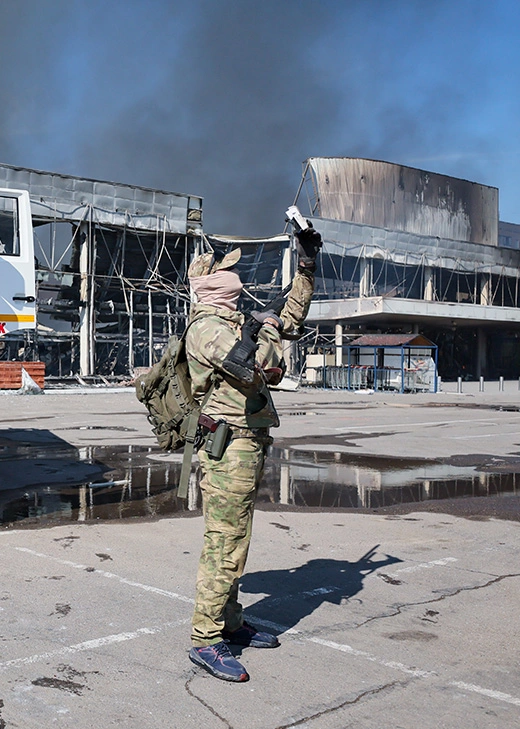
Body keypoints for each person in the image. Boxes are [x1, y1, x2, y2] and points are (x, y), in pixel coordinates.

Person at [183, 225, 321, 682]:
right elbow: (257, 366)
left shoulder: (234, 322)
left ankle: (231, 622)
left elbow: (291, 320)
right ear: (206, 283)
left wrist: (306, 265)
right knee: (224, 542)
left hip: (249, 443)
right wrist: (267, 329)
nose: (235, 276)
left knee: (237, 539)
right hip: (228, 446)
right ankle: (206, 638)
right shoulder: (205, 328)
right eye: (226, 271)